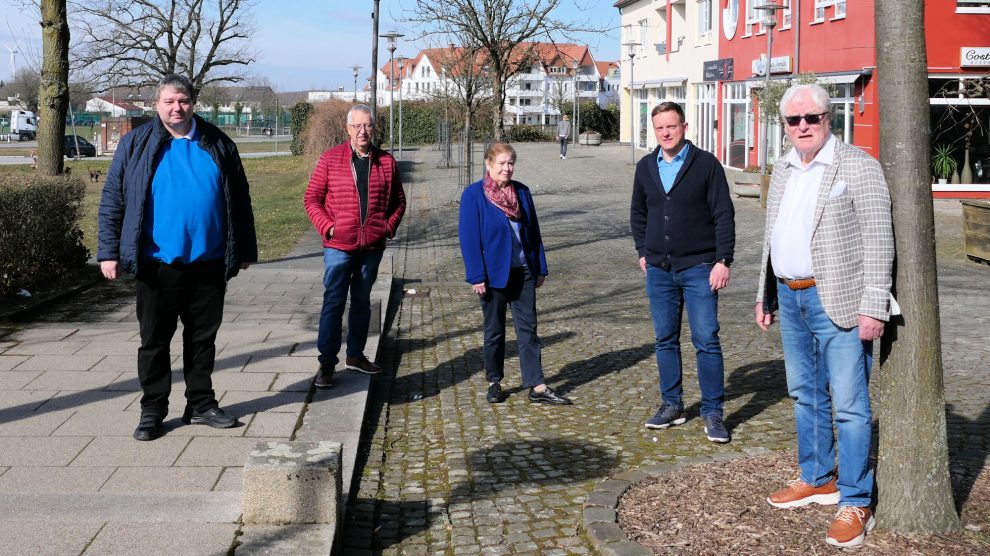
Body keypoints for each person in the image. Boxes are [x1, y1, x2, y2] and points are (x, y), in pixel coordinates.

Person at [755, 84, 895, 548]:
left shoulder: (857, 165)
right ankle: (817, 476)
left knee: (851, 406)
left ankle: (855, 498)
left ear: (827, 118)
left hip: (839, 301)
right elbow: (774, 235)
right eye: (793, 122)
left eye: (810, 119)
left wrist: (874, 304)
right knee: (803, 394)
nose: (801, 128)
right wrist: (765, 294)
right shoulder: (783, 168)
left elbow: (879, 238)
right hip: (789, 296)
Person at [97, 74, 258, 442]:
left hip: (208, 263)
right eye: (169, 101)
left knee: (202, 339)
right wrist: (108, 252)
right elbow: (113, 201)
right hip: (156, 263)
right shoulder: (135, 144)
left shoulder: (218, 142)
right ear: (157, 105)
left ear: (192, 103)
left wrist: (245, 248)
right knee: (154, 340)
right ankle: (153, 409)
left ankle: (200, 404)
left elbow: (240, 199)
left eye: (182, 101)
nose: (176, 108)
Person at [630, 101, 735, 443]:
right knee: (664, 339)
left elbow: (723, 214)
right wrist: (643, 251)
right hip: (659, 269)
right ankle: (672, 405)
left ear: (684, 127)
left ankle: (713, 412)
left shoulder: (705, 165)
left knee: (706, 339)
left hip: (700, 267)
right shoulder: (646, 167)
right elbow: (639, 213)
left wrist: (724, 260)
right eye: (659, 128)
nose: (666, 133)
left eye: (671, 126)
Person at [459, 142, 571, 406]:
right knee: (494, 331)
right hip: (492, 276)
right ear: (489, 164)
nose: (507, 168)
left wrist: (540, 266)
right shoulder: (474, 195)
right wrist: (476, 275)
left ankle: (537, 385)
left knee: (528, 330)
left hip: (523, 273)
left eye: (510, 163)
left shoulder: (522, 192)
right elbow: (469, 238)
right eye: (501, 163)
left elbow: (533, 233)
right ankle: (494, 382)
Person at [304, 104, 406, 389]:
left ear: (374, 128)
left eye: (368, 126)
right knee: (334, 302)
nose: (363, 131)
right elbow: (312, 198)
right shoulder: (330, 159)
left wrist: (386, 229)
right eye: (357, 126)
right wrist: (328, 227)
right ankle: (326, 363)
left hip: (371, 247)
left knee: (362, 302)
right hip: (338, 245)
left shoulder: (386, 162)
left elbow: (399, 201)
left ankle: (356, 355)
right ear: (347, 129)